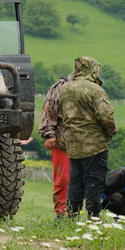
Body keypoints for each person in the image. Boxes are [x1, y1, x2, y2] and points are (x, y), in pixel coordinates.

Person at [60, 56, 117, 218]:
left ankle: (72, 216)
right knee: (94, 182)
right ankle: (93, 218)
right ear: (92, 70)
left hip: (72, 144)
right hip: (94, 144)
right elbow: (106, 116)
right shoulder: (94, 90)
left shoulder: (66, 88)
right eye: (97, 70)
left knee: (75, 182)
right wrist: (111, 131)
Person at [38, 72, 74, 218]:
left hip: (85, 144)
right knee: (63, 179)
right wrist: (49, 134)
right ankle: (61, 213)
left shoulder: (91, 88)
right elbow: (50, 111)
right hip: (62, 142)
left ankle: (76, 213)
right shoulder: (60, 87)